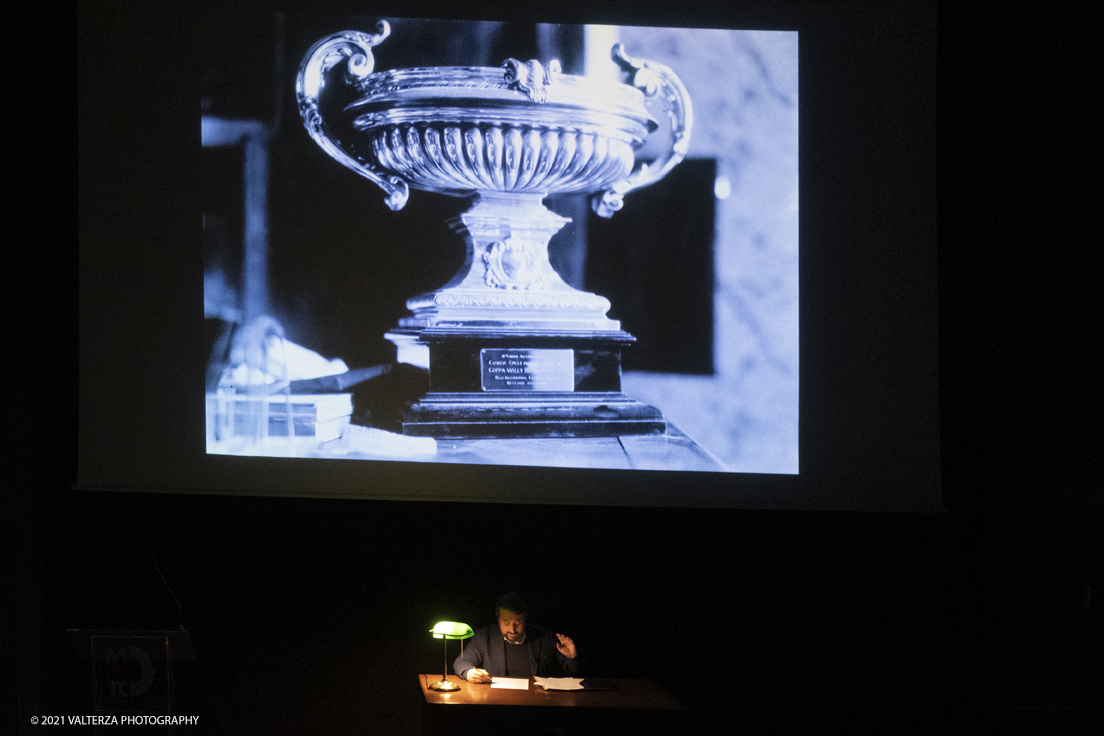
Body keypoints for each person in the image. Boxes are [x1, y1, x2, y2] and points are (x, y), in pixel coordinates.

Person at [453, 593, 583, 683]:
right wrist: (469, 673)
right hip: (497, 703)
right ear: (498, 619)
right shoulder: (484, 636)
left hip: (538, 704)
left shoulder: (546, 636)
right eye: (506, 622)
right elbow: (461, 662)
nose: (512, 629)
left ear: (525, 618)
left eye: (518, 622)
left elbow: (576, 675)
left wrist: (573, 657)